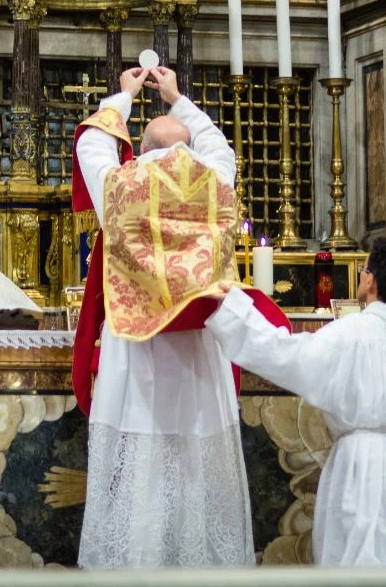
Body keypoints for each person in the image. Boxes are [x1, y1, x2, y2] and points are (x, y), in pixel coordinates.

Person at [71, 64, 287, 568]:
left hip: (138, 351)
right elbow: (222, 147)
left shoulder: (123, 184)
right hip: (198, 357)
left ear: (141, 151)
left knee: (141, 472)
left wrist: (123, 98)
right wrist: (177, 97)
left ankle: (135, 569)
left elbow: (91, 146)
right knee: (196, 466)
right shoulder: (215, 181)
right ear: (188, 150)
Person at [205, 236, 386, 566]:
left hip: (364, 472)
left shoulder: (350, 334)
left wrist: (233, 309)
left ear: (369, 280)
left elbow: (284, 355)